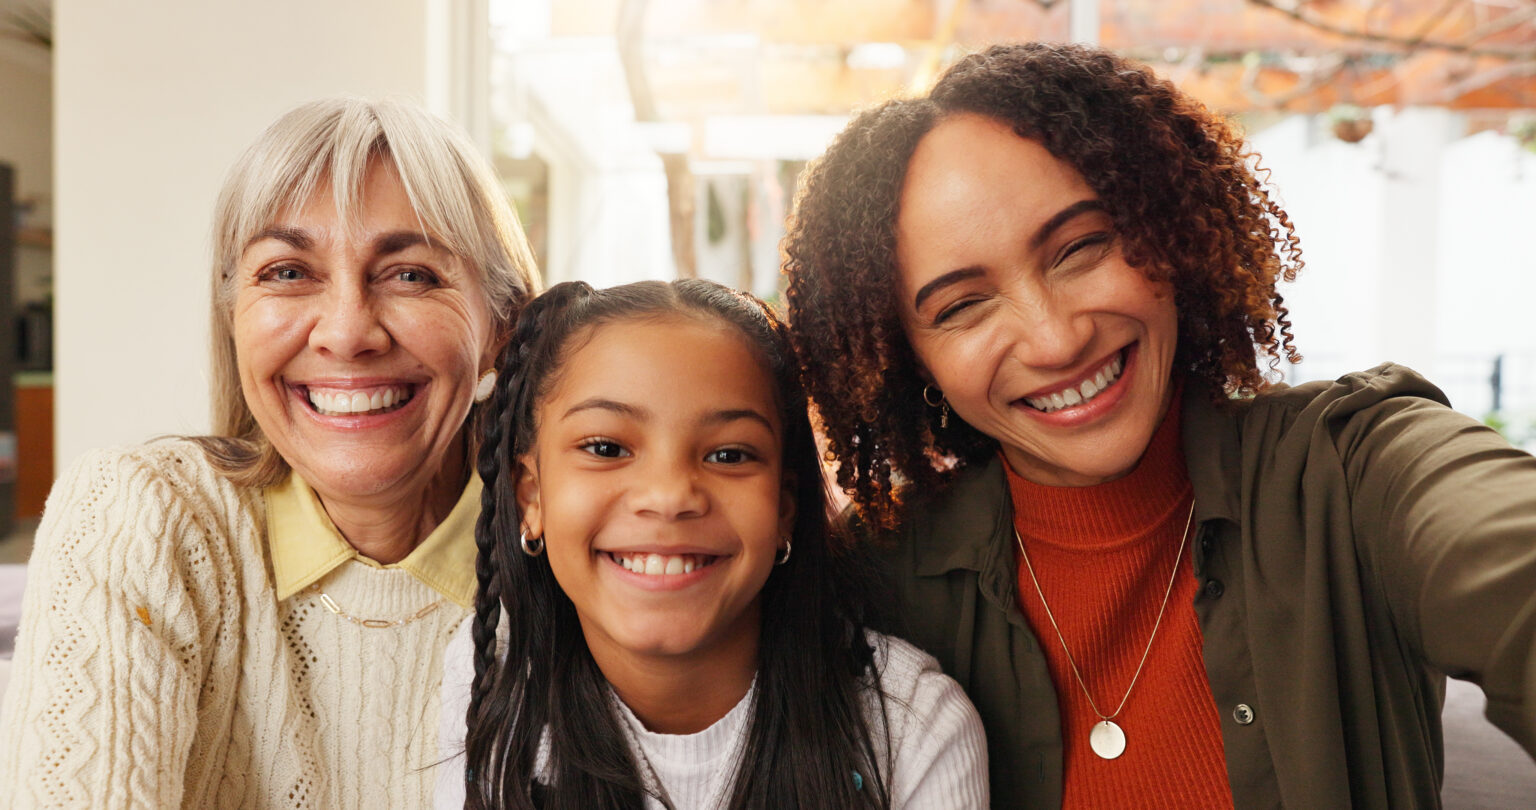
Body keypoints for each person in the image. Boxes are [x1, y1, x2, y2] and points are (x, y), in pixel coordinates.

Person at [782, 42, 1536, 809]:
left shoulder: (1352, 470)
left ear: (1166, 227)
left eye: (1081, 247)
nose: (1055, 339)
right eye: (961, 306)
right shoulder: (880, 582)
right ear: (910, 361)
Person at [0, 97, 539, 807]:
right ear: (233, 318)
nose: (347, 334)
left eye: (411, 274)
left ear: (502, 323)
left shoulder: (576, 552)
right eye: (287, 272)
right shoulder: (139, 515)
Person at [435, 279, 988, 809]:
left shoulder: (911, 725)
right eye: (605, 447)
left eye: (728, 455)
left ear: (784, 510)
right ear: (531, 496)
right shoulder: (495, 672)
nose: (670, 496)